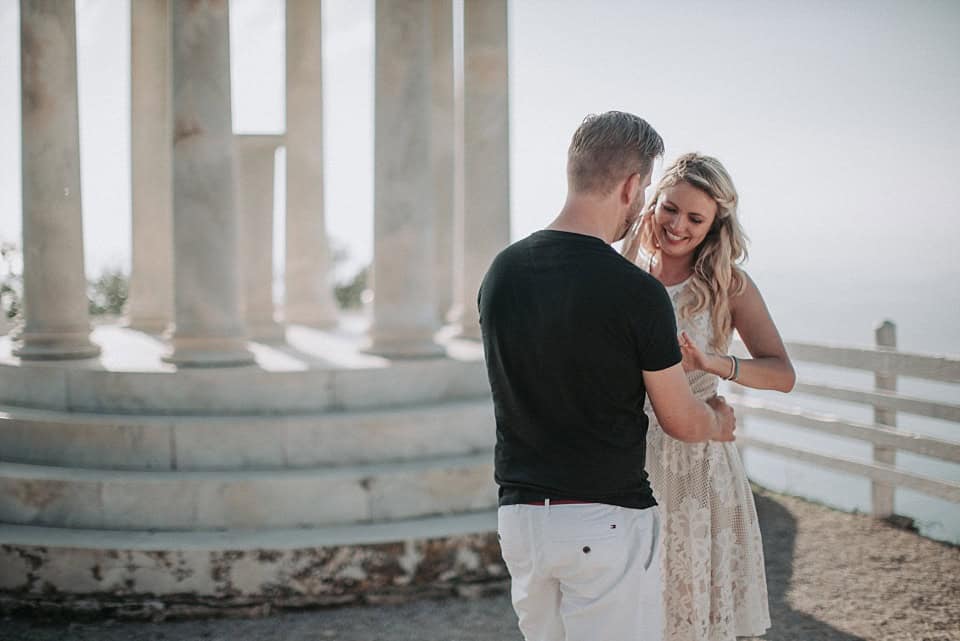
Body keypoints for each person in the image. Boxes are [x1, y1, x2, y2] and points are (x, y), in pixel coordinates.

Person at [479, 112, 737, 641]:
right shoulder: (635, 292)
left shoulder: (501, 272)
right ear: (632, 186)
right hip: (604, 521)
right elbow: (681, 420)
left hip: (521, 521)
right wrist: (717, 419)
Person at [622, 152, 796, 641]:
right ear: (653, 205)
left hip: (697, 466)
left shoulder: (728, 284)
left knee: (690, 607)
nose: (678, 226)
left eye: (695, 218)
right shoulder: (624, 272)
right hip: (626, 458)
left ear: (715, 223)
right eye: (669, 209)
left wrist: (714, 363)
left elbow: (782, 373)